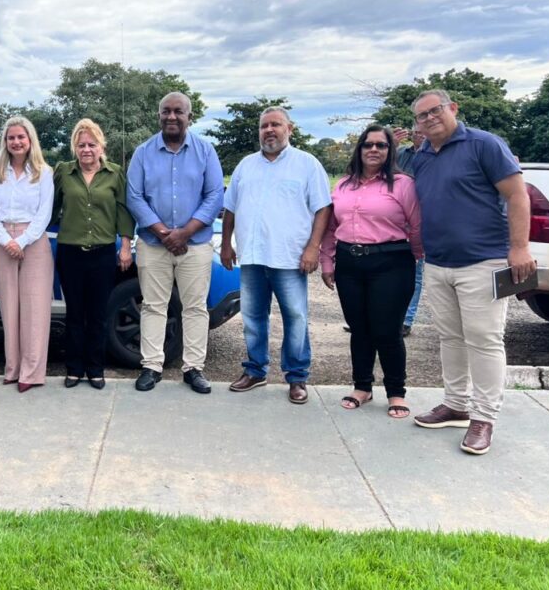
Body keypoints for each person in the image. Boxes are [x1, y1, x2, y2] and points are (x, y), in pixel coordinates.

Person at [409, 90, 535, 455]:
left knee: (484, 339)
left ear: (452, 108)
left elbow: (517, 195)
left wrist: (520, 247)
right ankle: (456, 404)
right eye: (422, 116)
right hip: (437, 262)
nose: (429, 118)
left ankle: (484, 417)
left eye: (435, 110)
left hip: (483, 260)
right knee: (450, 337)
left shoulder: (484, 144)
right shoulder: (421, 156)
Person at [221, 106, 331, 404]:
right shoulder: (246, 165)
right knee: (253, 317)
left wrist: (313, 247)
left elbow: (323, 208)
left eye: (276, 125)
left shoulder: (307, 164)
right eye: (264, 126)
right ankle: (255, 370)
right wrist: (226, 244)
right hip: (252, 256)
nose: (269, 130)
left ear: (289, 129)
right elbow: (230, 207)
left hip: (289, 258)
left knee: (295, 317)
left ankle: (296, 377)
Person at [320, 125, 423, 418]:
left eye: (381, 145)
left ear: (391, 150)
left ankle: (396, 391)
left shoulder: (403, 184)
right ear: (360, 150)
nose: (374, 150)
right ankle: (362, 386)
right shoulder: (343, 185)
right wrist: (327, 262)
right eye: (368, 144)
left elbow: (417, 226)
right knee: (359, 328)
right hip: (349, 263)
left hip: (391, 263)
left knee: (387, 330)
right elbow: (331, 228)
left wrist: (415, 257)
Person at [126, 92, 224, 394]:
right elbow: (134, 197)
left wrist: (185, 232)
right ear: (159, 116)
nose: (171, 116)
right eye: (166, 111)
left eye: (178, 111)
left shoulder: (205, 151)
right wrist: (163, 233)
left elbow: (214, 195)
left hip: (194, 245)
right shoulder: (143, 153)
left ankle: (193, 368)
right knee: (153, 306)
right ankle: (151, 366)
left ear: (189, 117)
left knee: (195, 307)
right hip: (153, 244)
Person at [51, 119, 134, 389]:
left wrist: (125, 246)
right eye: (81, 145)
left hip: (102, 254)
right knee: (75, 314)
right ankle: (74, 368)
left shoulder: (115, 173)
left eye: (91, 144)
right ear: (74, 147)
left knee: (98, 314)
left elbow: (123, 211)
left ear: (101, 146)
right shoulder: (64, 172)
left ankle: (96, 369)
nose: (86, 149)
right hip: (70, 253)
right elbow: (50, 207)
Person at [0, 117, 54, 392]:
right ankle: (12, 368)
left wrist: (22, 241)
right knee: (9, 309)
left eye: (21, 137)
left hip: (33, 241)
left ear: (30, 140)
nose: (16, 142)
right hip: (1, 241)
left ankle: (31, 372)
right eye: (11, 137)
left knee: (35, 310)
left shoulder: (43, 172)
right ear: (5, 141)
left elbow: (44, 212)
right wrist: (6, 240)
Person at [395, 123, 426, 336]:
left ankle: (406, 320)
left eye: (423, 133)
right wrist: (391, 144)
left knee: (415, 272)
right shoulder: (400, 153)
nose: (420, 136)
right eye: (416, 132)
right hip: (396, 220)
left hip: (421, 219)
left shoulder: (436, 155)